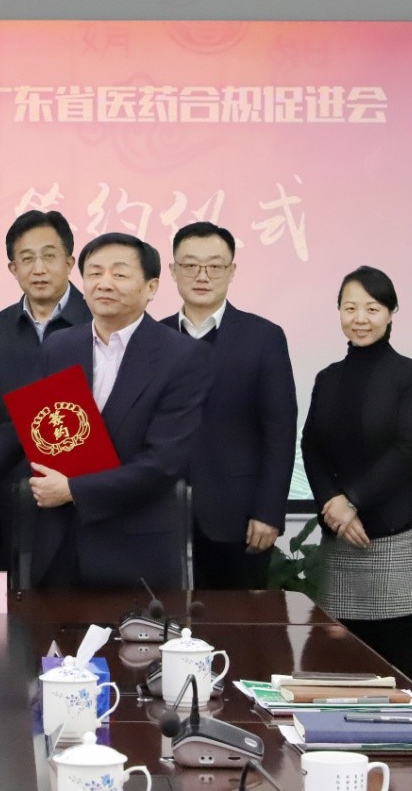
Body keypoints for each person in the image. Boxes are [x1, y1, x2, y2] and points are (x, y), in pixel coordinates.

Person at [0, 233, 209, 589]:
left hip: (135, 550)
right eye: (95, 273)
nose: (104, 283)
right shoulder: (61, 346)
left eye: (119, 274)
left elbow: (163, 463)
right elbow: (19, 429)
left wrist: (75, 489)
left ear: (151, 287)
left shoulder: (181, 356)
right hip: (58, 547)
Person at [300, 266, 412, 680]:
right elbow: (311, 446)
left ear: (391, 313)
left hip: (394, 536)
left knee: (397, 661)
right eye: (350, 307)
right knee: (339, 661)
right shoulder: (327, 378)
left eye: (372, 308)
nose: (360, 318)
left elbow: (409, 448)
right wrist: (333, 505)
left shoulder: (411, 375)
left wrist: (352, 500)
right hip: (341, 538)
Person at [160, 222, 297, 590]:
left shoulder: (264, 337)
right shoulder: (153, 336)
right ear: (172, 271)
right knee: (163, 618)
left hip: (238, 517)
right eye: (190, 265)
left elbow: (280, 432)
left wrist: (268, 512)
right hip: (162, 514)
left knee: (239, 624)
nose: (202, 276)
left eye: (215, 266)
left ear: (232, 271)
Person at [0, 210, 92, 583]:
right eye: (27, 258)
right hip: (16, 501)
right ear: (13, 268)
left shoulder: (99, 321)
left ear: (69, 262)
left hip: (87, 498)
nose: (39, 268)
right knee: (18, 607)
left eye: (49, 256)